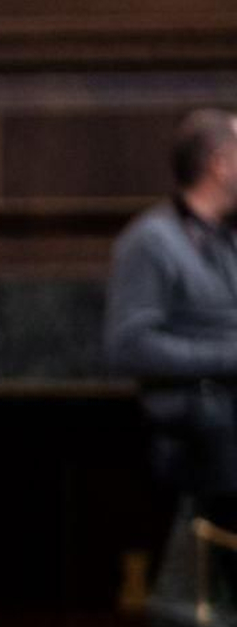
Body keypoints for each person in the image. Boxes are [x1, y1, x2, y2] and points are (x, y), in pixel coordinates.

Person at [105, 107, 237, 527]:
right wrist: (230, 356)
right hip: (198, 435)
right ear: (220, 163)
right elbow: (129, 347)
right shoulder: (151, 241)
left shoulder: (227, 240)